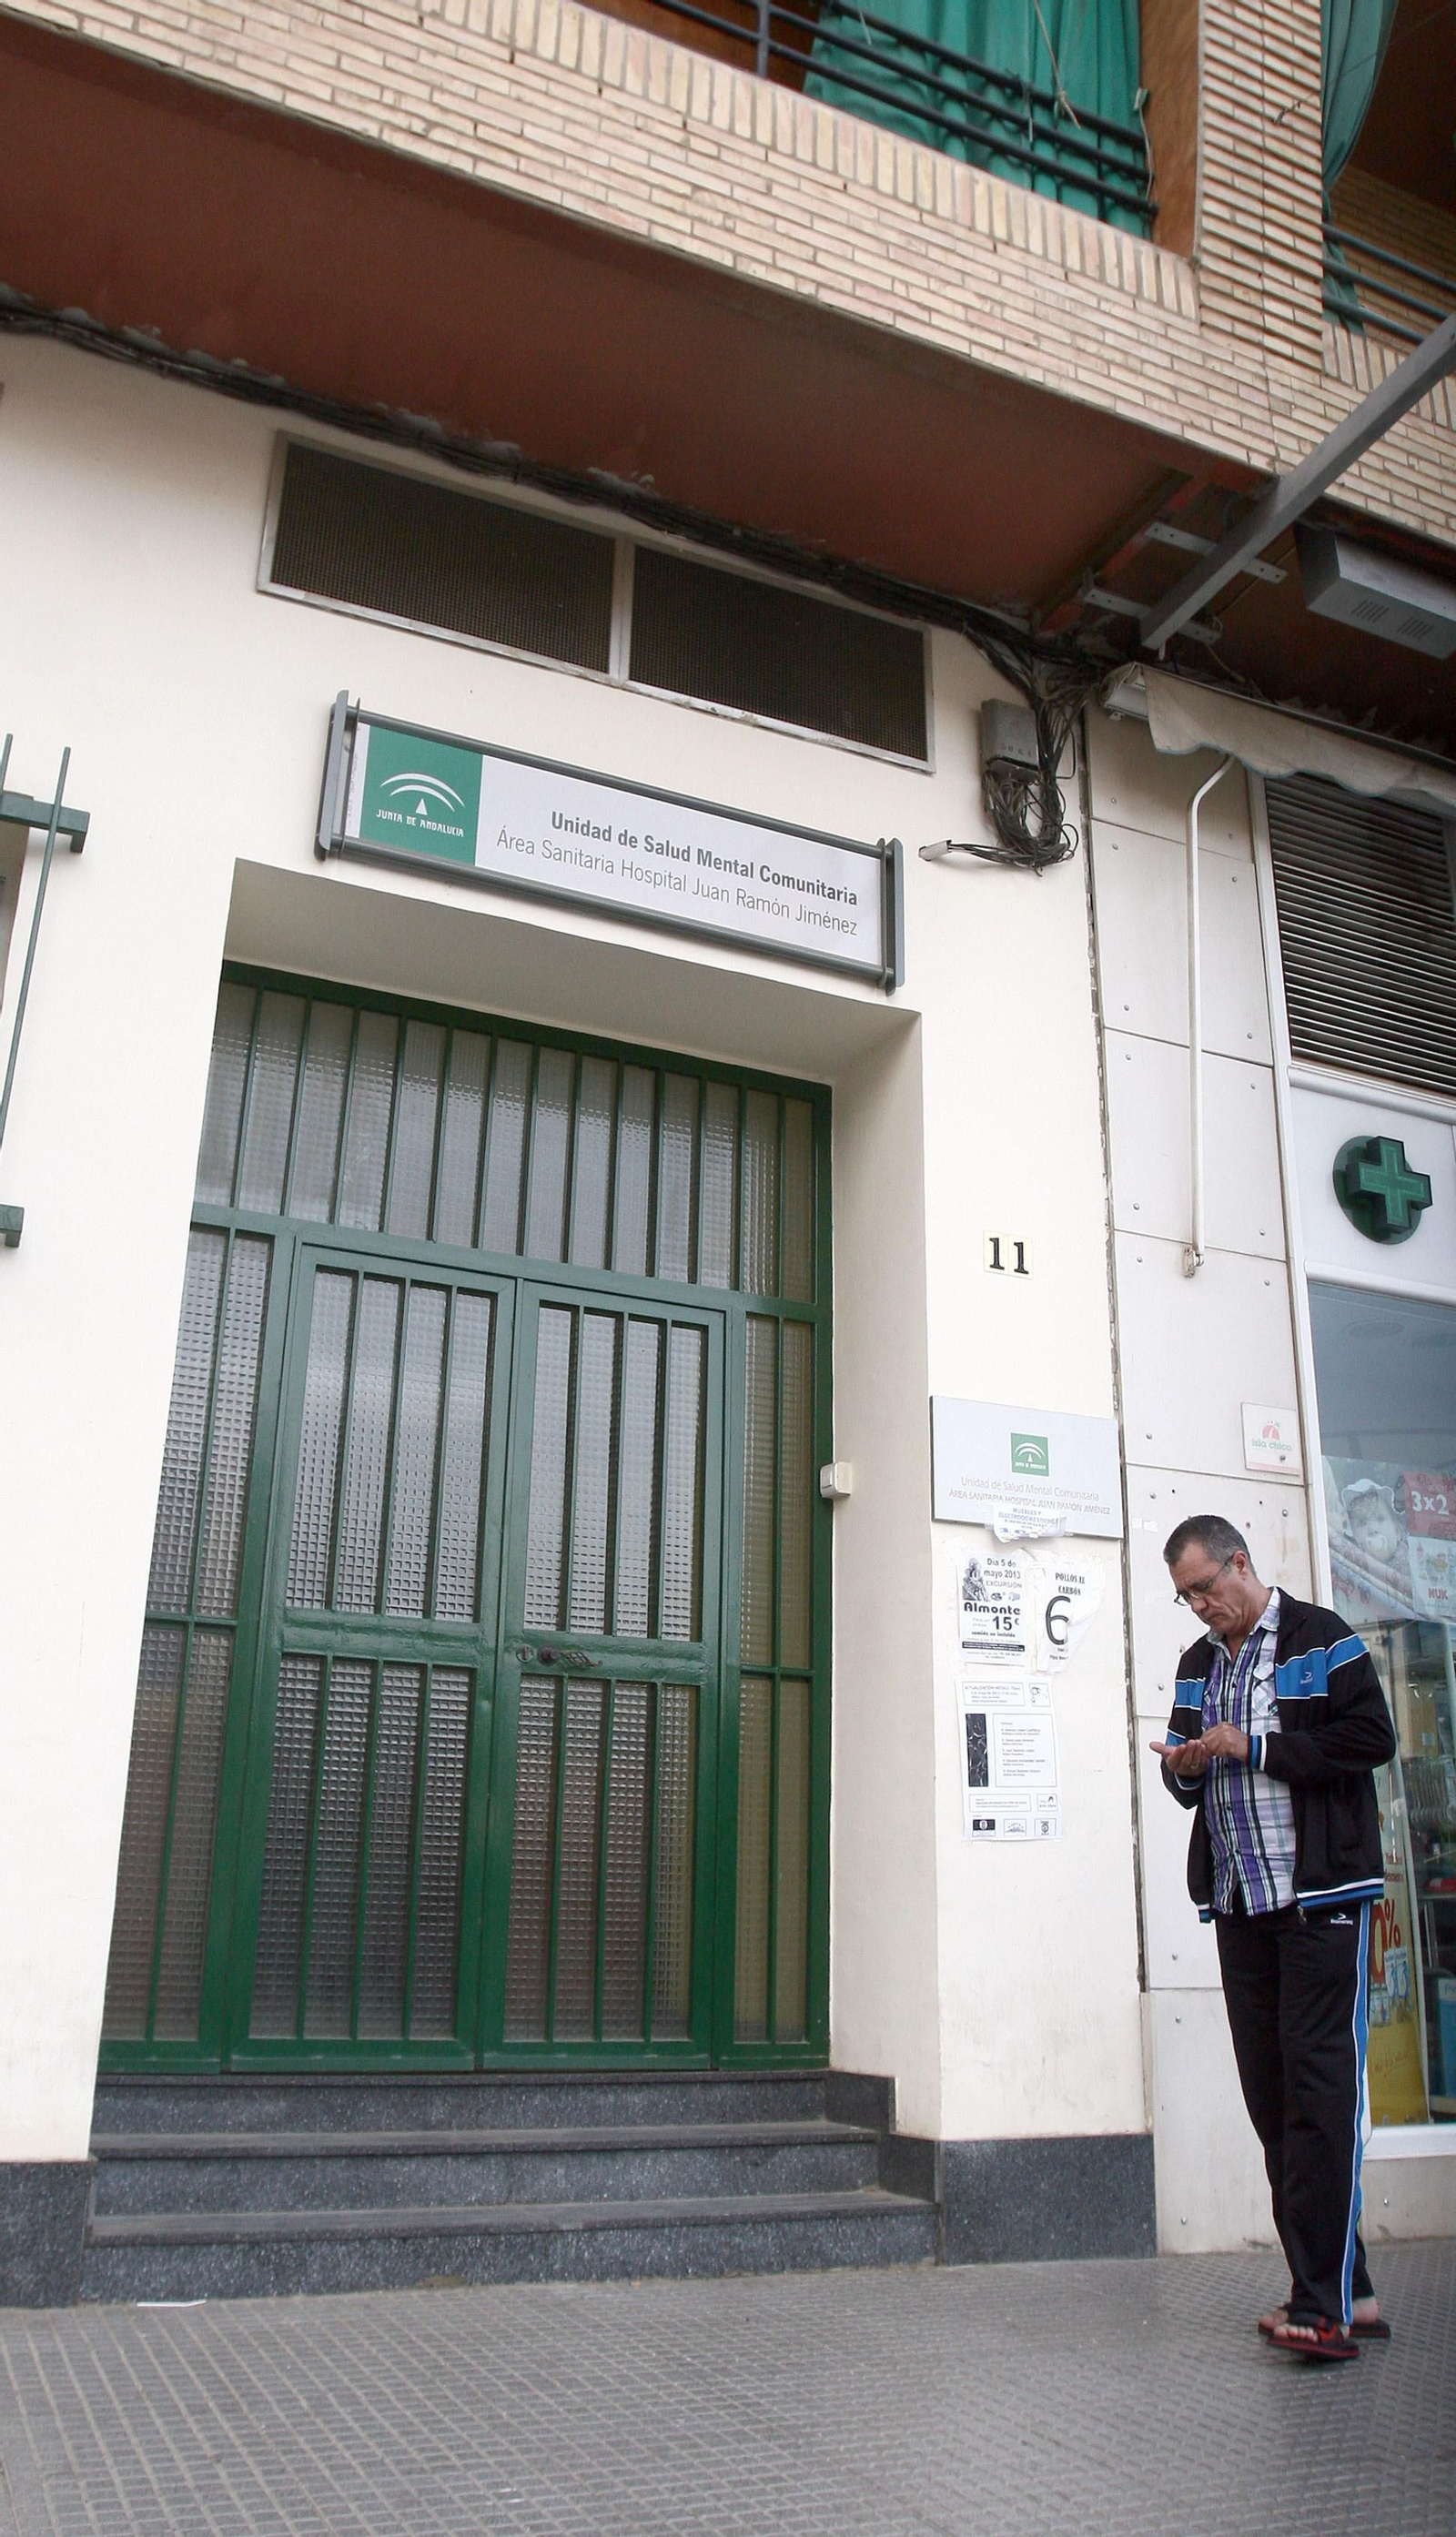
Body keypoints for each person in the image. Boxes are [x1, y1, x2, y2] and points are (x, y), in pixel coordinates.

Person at [1150, 1515, 1397, 2365]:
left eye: (1206, 1587)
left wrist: (1254, 1745)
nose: (1200, 1606)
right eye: (1186, 1597)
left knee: (1319, 2097)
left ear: (1241, 1563)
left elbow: (1372, 1740)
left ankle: (1318, 2308)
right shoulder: (1195, 1667)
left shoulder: (1322, 1637)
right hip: (1241, 1903)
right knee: (1272, 2099)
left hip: (1320, 1900)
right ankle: (1348, 2291)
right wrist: (1182, 1764)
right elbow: (1183, 1767)